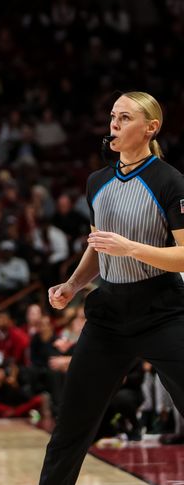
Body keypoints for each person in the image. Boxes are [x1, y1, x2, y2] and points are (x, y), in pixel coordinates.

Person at [40, 92, 184, 484]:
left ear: (150, 128)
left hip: (162, 311)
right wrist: (72, 284)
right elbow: (97, 248)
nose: (113, 125)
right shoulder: (97, 181)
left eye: (125, 117)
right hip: (107, 317)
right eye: (112, 117)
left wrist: (130, 248)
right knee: (71, 426)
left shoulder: (171, 182)